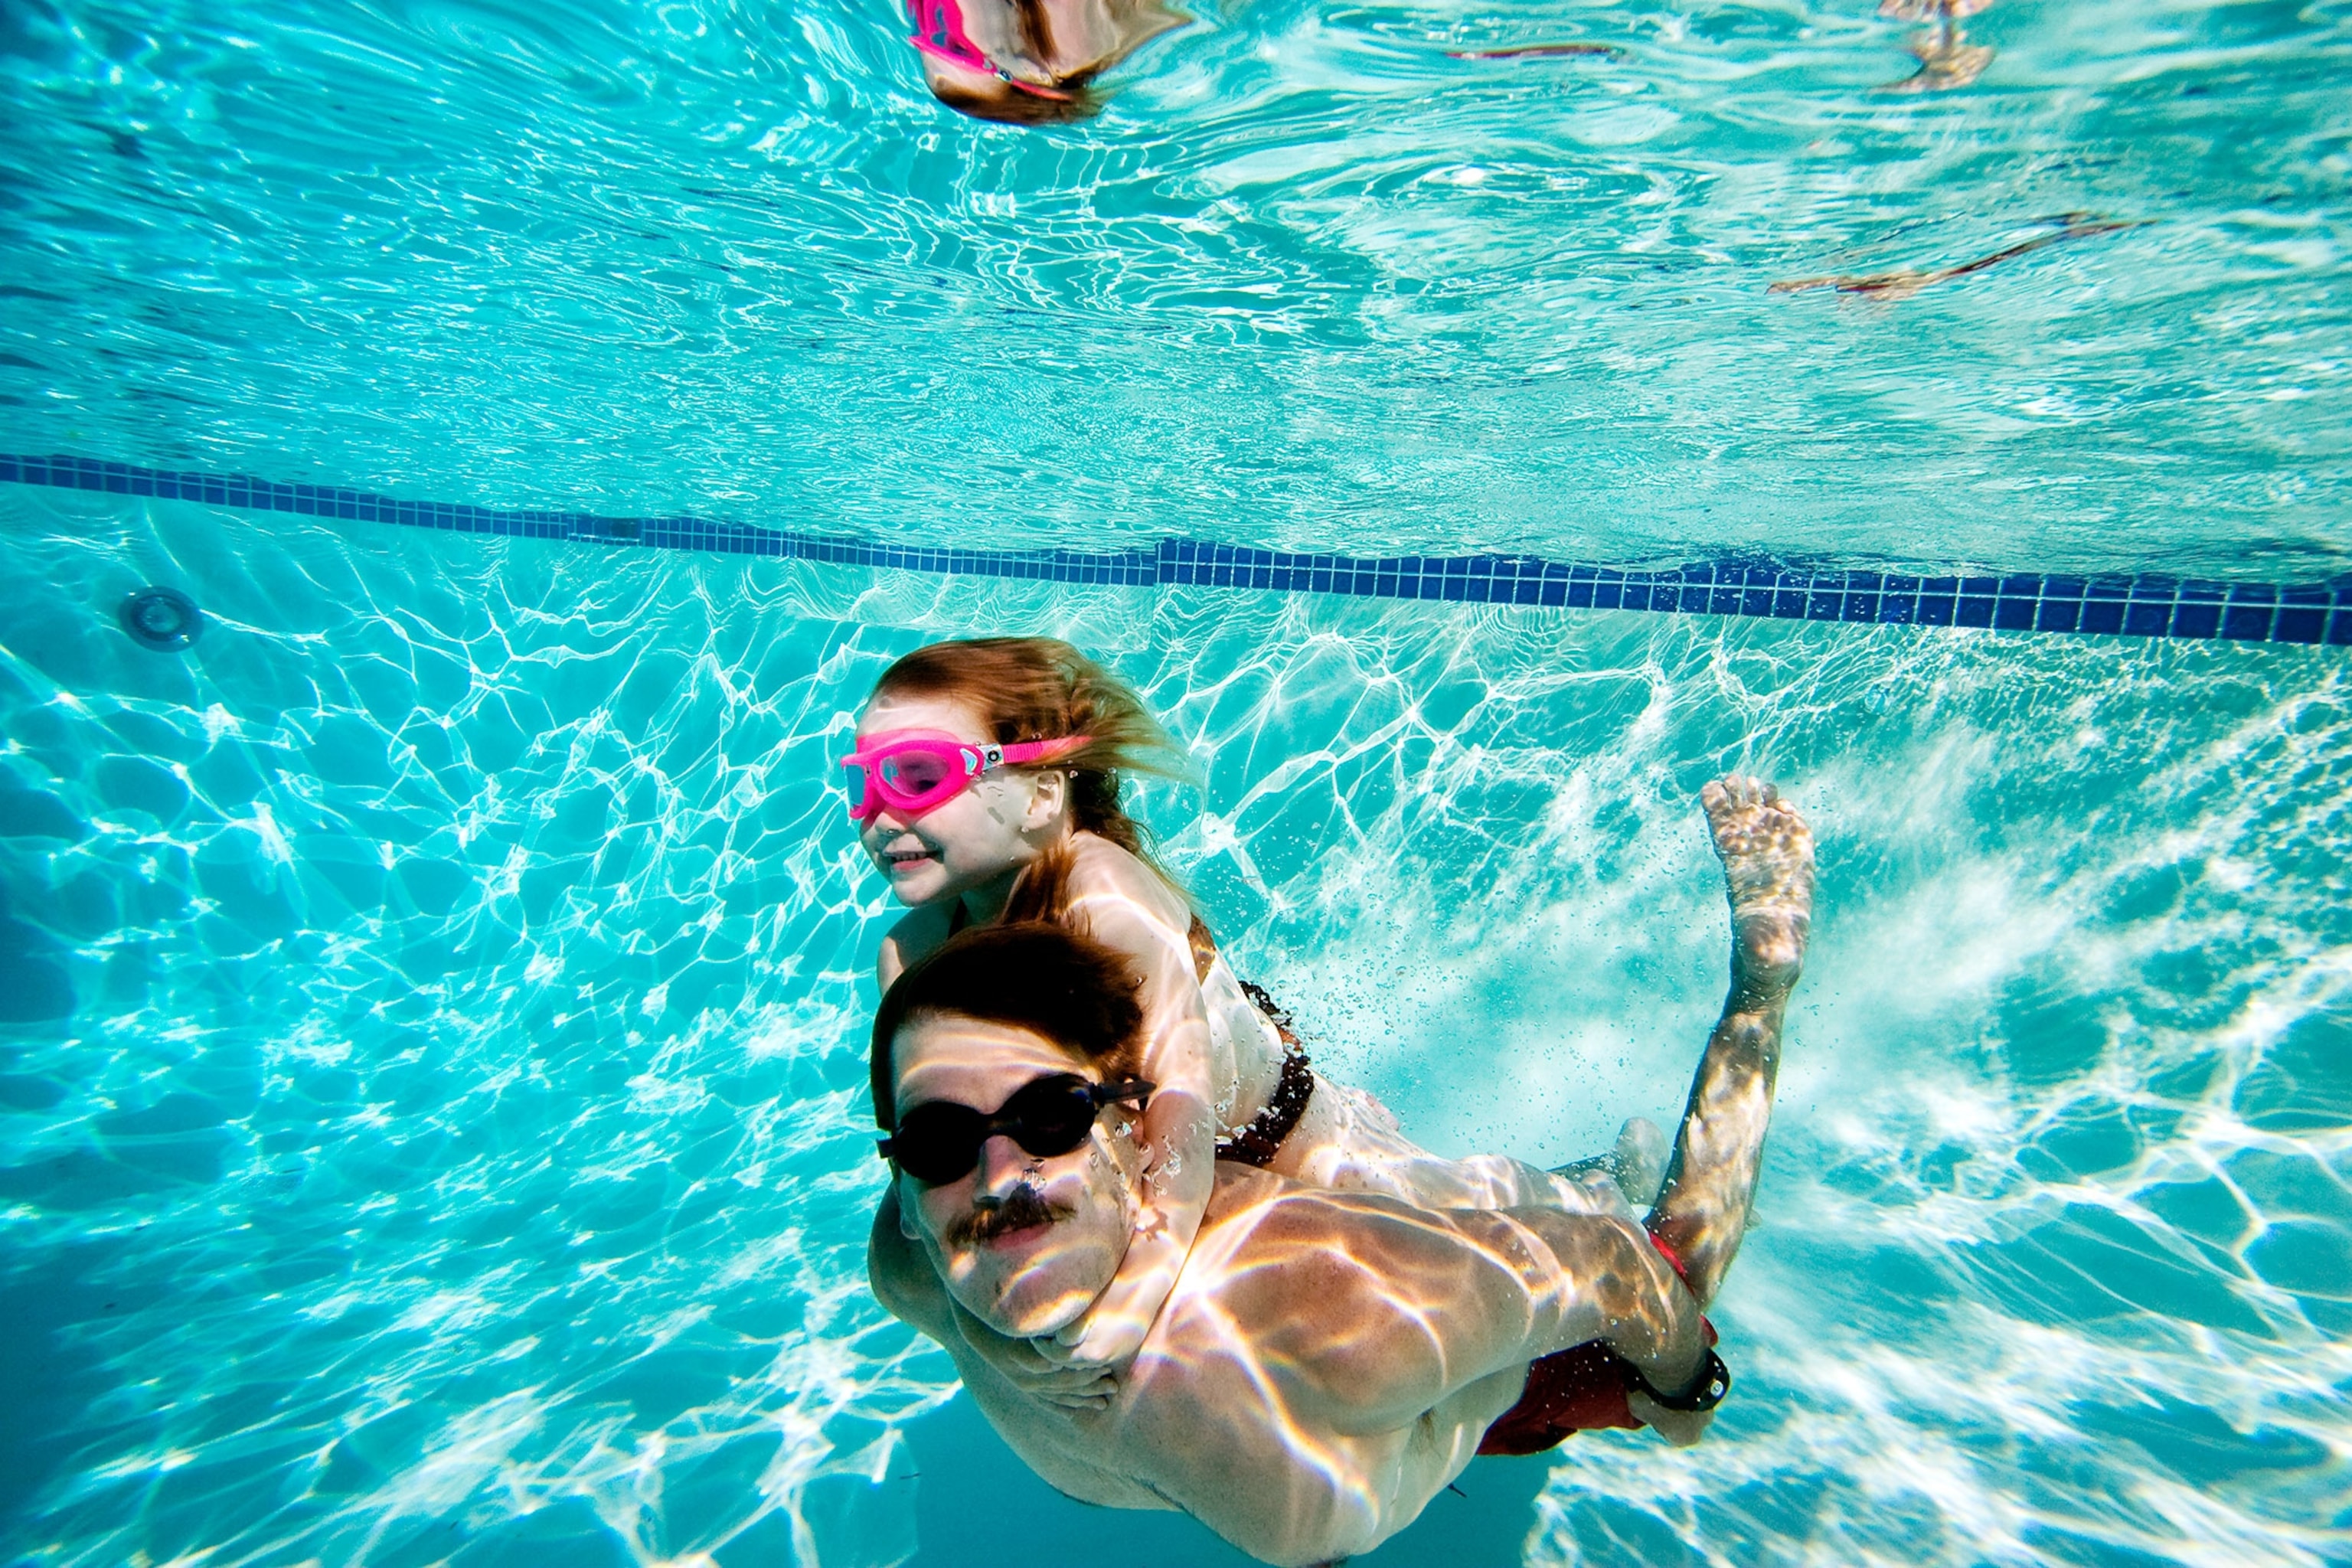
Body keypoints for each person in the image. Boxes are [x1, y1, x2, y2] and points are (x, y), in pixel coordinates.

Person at [866, 776, 1815, 1566]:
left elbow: (1610, 1269)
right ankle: (1604, 1165)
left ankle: (1762, 979)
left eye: (1047, 1118)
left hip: (1493, 1378)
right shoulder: (915, 1262)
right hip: (1363, 1375)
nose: (993, 1177)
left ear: (1127, 1126)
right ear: (905, 1181)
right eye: (940, 1142)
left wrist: (1688, 1387)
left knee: (1675, 1259)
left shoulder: (1332, 1311)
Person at [845, 637, 1658, 1401]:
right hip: (1131, 1170)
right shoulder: (912, 953)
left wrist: (1138, 1290)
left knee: (1460, 1221)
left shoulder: (1106, 899)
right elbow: (921, 1184)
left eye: (916, 777)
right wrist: (1000, 1346)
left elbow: (1182, 1107)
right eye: (862, 782)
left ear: (1043, 791)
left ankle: (1597, 1191)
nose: (878, 816)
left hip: (1290, 1144)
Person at [900, 0, 1187, 124]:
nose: (941, 17)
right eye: (956, 47)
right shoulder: (1076, 44)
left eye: (929, 23)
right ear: (1034, 72)